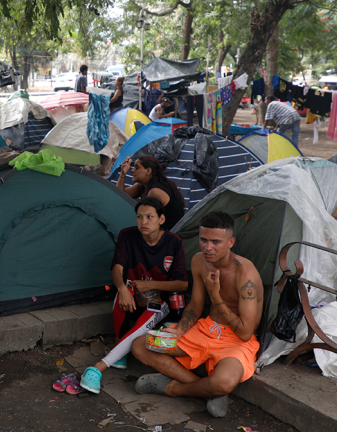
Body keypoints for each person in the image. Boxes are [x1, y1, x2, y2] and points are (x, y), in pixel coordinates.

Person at [131, 211, 263, 418]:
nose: (208, 248)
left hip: (235, 341)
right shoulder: (199, 260)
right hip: (205, 330)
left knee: (223, 382)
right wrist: (179, 331)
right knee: (141, 345)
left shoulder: (246, 273)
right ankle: (205, 390)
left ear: (231, 242)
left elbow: (246, 333)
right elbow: (196, 305)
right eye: (203, 240)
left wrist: (216, 296)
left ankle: (174, 388)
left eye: (216, 242)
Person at [79, 197, 188, 394]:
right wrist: (121, 288)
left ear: (161, 219)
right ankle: (120, 346)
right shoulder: (127, 235)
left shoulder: (174, 242)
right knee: (124, 294)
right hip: (131, 291)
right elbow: (117, 267)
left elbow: (182, 283)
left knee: (146, 319)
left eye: (149, 217)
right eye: (139, 217)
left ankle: (98, 367)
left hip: (158, 299)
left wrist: (151, 285)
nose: (143, 222)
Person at [117, 155, 185, 230]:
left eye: (137, 167)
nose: (132, 170)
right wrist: (123, 173)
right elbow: (119, 195)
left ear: (148, 171)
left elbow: (148, 220)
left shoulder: (155, 192)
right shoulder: (144, 185)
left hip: (169, 235)